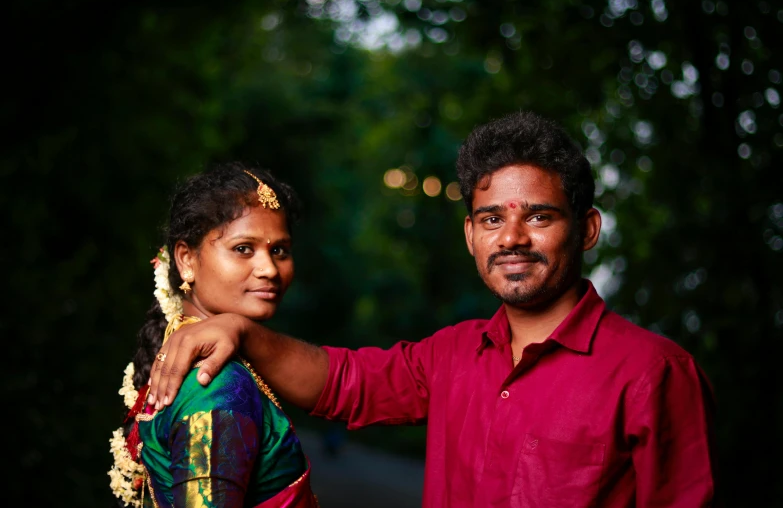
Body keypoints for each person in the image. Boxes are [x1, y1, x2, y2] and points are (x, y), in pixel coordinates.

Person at [148, 112, 718, 507]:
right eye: (492, 219)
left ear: (587, 228)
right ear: (471, 234)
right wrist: (240, 331)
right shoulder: (452, 355)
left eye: (539, 217)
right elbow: (344, 382)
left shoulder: (653, 373)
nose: (512, 237)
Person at [108, 162, 319, 508]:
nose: (269, 269)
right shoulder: (217, 384)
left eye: (279, 250)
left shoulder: (183, 358)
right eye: (243, 248)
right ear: (186, 260)